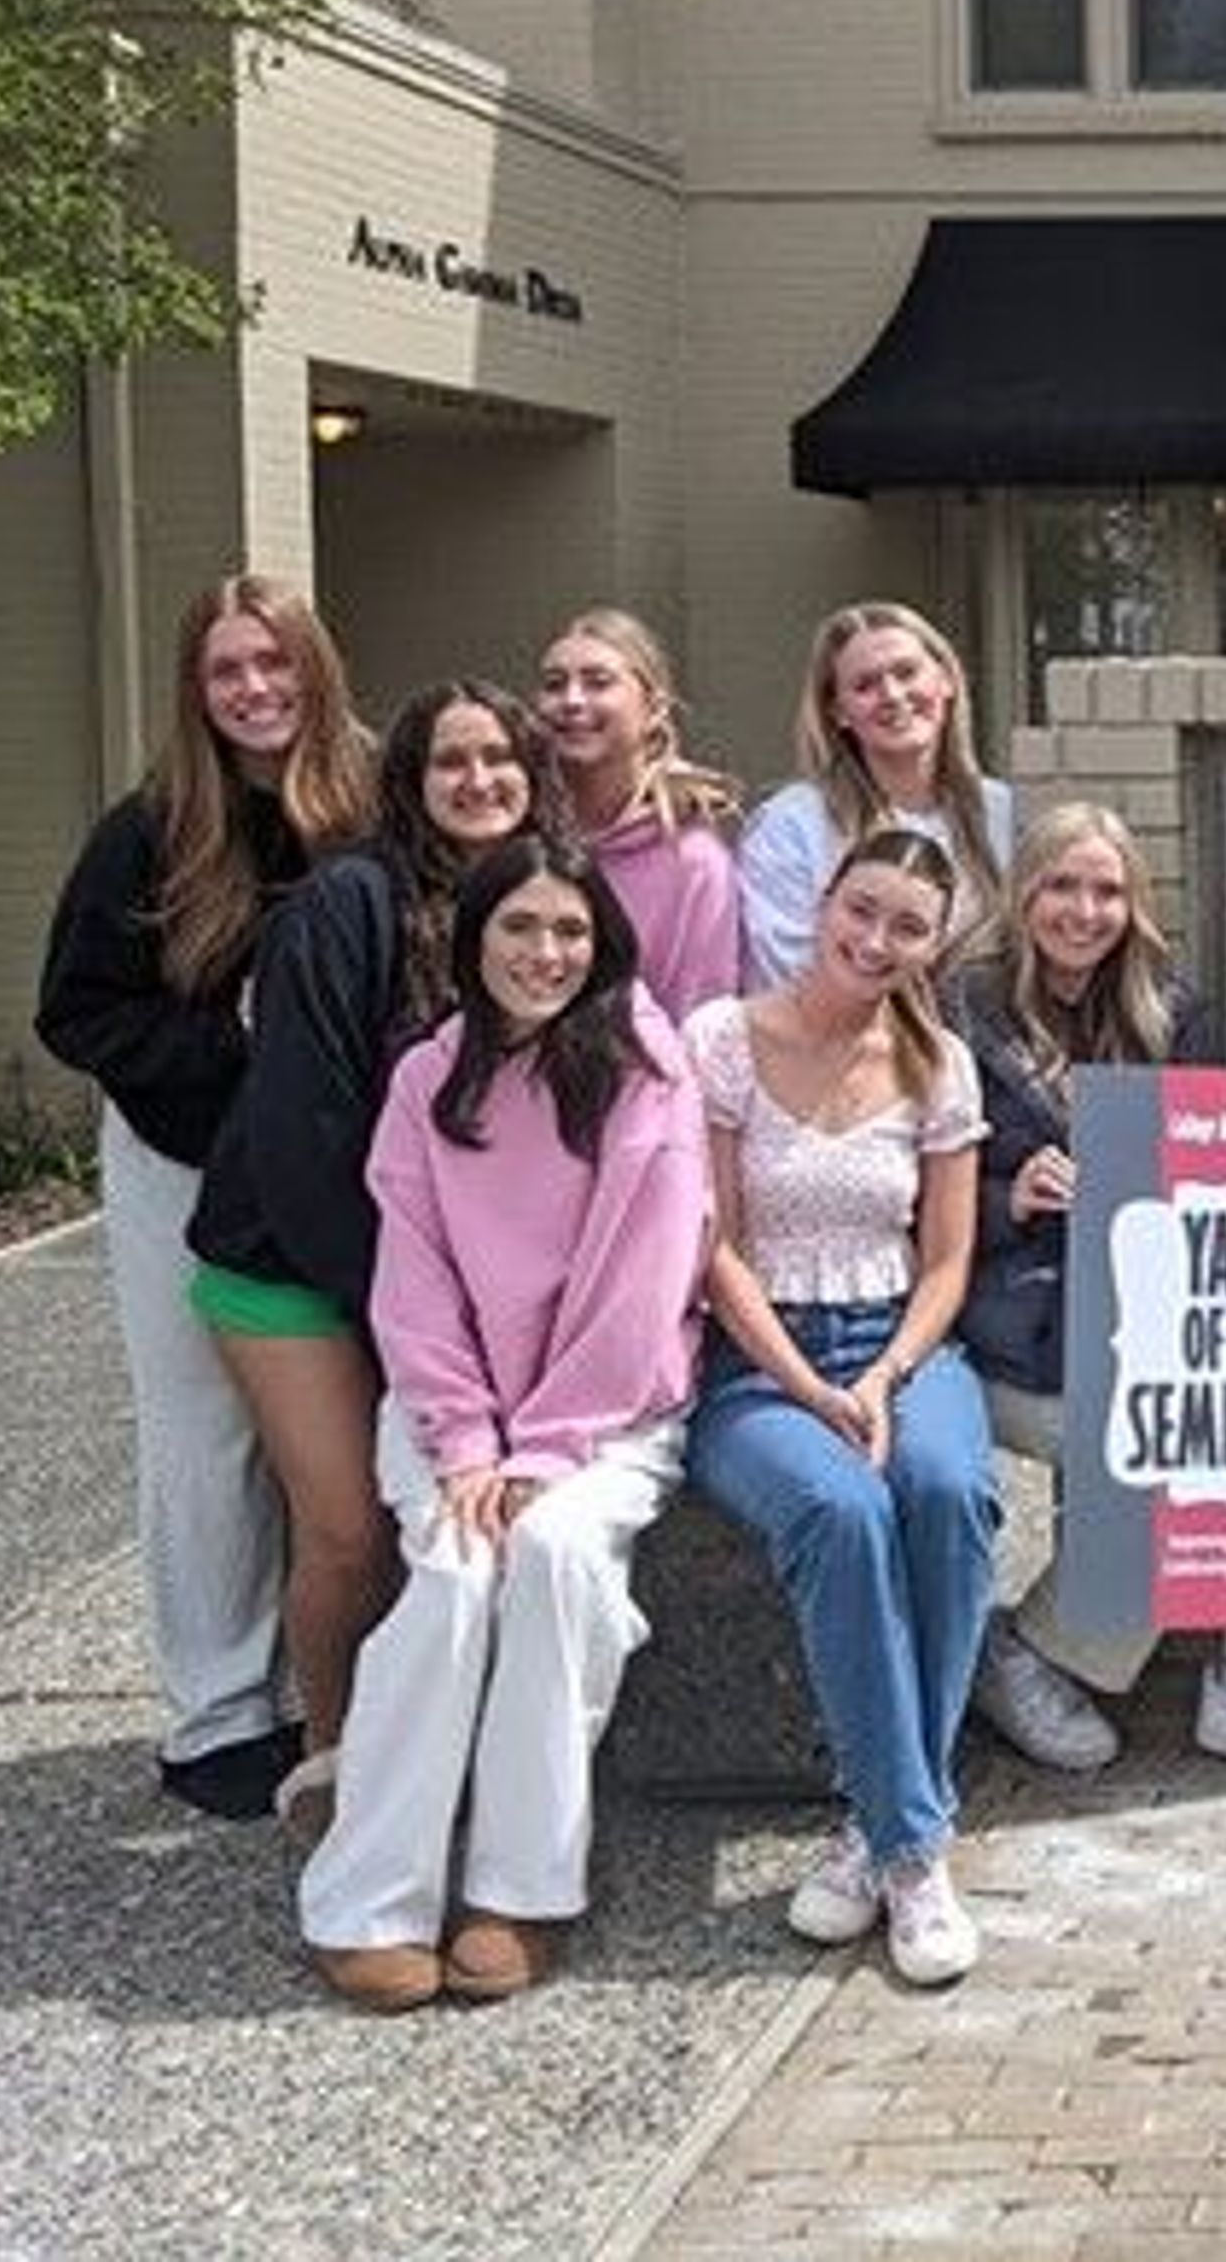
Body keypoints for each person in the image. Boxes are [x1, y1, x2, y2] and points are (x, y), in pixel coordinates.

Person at [299, 839, 711, 2013]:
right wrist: (473, 1444)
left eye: (571, 932)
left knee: (558, 1556)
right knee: (452, 1575)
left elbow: (644, 1280)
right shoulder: (428, 1080)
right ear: (474, 942)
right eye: (521, 929)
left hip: (610, 1411)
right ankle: (367, 1899)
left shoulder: (646, 1067)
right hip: (449, 1411)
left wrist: (544, 1448)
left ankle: (520, 1890)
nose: (547, 954)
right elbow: (412, 1283)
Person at [185, 679, 560, 1837]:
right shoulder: (346, 904)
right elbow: (300, 1132)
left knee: (431, 1524)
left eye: (501, 757)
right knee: (346, 1530)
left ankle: (427, 1745)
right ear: (408, 778)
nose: (479, 780)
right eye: (451, 760)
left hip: (433, 1284)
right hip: (297, 1267)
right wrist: (397, 1313)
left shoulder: (533, 904)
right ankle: (334, 1758)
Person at [949, 804, 1226, 1785]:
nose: (1084, 910)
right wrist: (1004, 1198)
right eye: (1063, 885)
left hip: (1140, 1319)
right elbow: (899, 1179)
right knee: (1159, 1449)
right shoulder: (960, 1011)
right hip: (1009, 1333)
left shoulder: (1170, 1009)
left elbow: (1207, 1166)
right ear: (1024, 895)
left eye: (1107, 890)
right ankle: (1027, 1654)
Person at [35, 575, 375, 1820]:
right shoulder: (150, 830)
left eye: (275, 663)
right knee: (206, 1436)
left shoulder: (371, 803)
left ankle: (325, 1691)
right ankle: (221, 1712)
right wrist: (239, 1053)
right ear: (196, 688)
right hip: (185, 1167)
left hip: (343, 1180)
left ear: (317, 668)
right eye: (228, 670)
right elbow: (76, 1011)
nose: (255, 690)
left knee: (337, 1442)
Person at [685, 827, 1000, 1989]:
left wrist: (880, 1379)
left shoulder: (939, 1065)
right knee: (841, 1513)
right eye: (861, 911)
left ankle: (874, 1829)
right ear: (823, 903)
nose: (876, 940)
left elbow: (948, 1263)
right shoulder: (718, 1040)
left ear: (934, 947)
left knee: (952, 1492)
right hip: (756, 1367)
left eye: (908, 927)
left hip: (902, 1348)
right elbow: (713, 1249)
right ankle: (918, 1850)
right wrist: (810, 1386)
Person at [739, 603, 1014, 989]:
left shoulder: (1004, 811)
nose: (892, 695)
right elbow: (790, 981)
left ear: (947, 680)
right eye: (865, 685)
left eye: (906, 672)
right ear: (838, 712)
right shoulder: (790, 827)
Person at [539, 608, 743, 1018]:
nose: (572, 700)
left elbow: (698, 1024)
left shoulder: (693, 862)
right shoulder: (518, 836)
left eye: (598, 682)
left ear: (653, 708)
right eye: (554, 684)